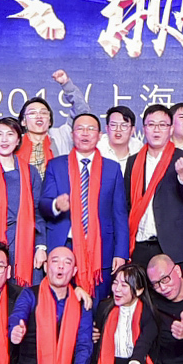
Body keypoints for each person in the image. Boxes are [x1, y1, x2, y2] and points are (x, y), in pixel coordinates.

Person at [39, 112, 130, 296]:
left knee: (97, 303)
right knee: (61, 302)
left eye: (91, 129)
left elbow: (119, 214)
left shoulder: (112, 169)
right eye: (80, 129)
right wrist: (56, 205)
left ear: (100, 135)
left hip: (100, 247)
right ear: (72, 134)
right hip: (64, 245)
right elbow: (43, 205)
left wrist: (121, 252)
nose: (85, 133)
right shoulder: (56, 165)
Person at [124, 105, 183, 287]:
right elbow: (127, 204)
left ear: (170, 129)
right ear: (144, 129)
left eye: (162, 125)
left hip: (173, 246)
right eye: (151, 124)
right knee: (143, 296)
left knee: (175, 296)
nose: (156, 130)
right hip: (140, 245)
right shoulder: (133, 162)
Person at [0, 116, 44, 282]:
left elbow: (38, 213)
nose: (4, 139)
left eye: (10, 134)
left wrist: (41, 246)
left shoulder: (30, 172)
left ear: (18, 140)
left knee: (25, 293)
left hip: (25, 242)